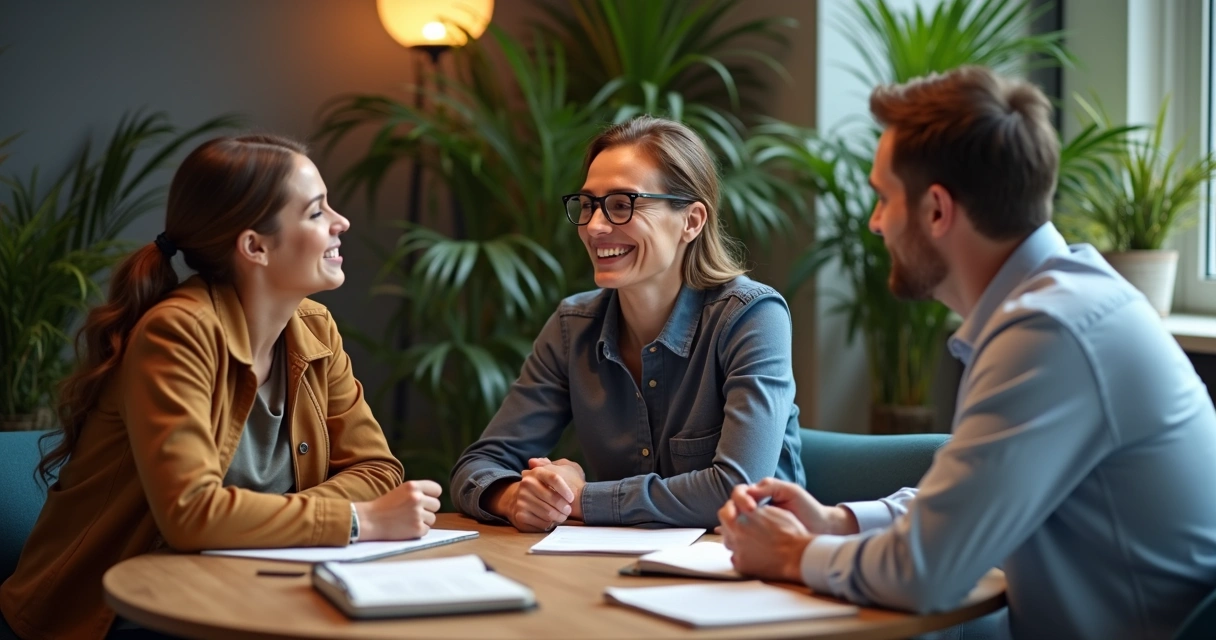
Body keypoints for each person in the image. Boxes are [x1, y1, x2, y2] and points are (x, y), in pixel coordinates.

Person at [719, 66, 1216, 640]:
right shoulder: (1058, 303)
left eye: (883, 198)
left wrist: (792, 553)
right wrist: (837, 521)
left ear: (937, 210)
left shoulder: (1050, 333)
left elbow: (922, 572)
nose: (875, 223)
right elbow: (966, 503)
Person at [0, 135, 442, 640]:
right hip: (108, 612)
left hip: (236, 584)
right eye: (317, 212)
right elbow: (191, 514)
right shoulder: (177, 333)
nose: (340, 222)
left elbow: (378, 469)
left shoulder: (314, 327)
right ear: (255, 246)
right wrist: (359, 519)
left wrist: (306, 517)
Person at [450, 116, 805, 532]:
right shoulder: (572, 327)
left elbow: (736, 491)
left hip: (748, 563)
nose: (595, 227)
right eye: (588, 205)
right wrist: (517, 497)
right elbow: (478, 466)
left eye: (623, 204)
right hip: (616, 563)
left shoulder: (752, 316)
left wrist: (582, 499)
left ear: (691, 221)